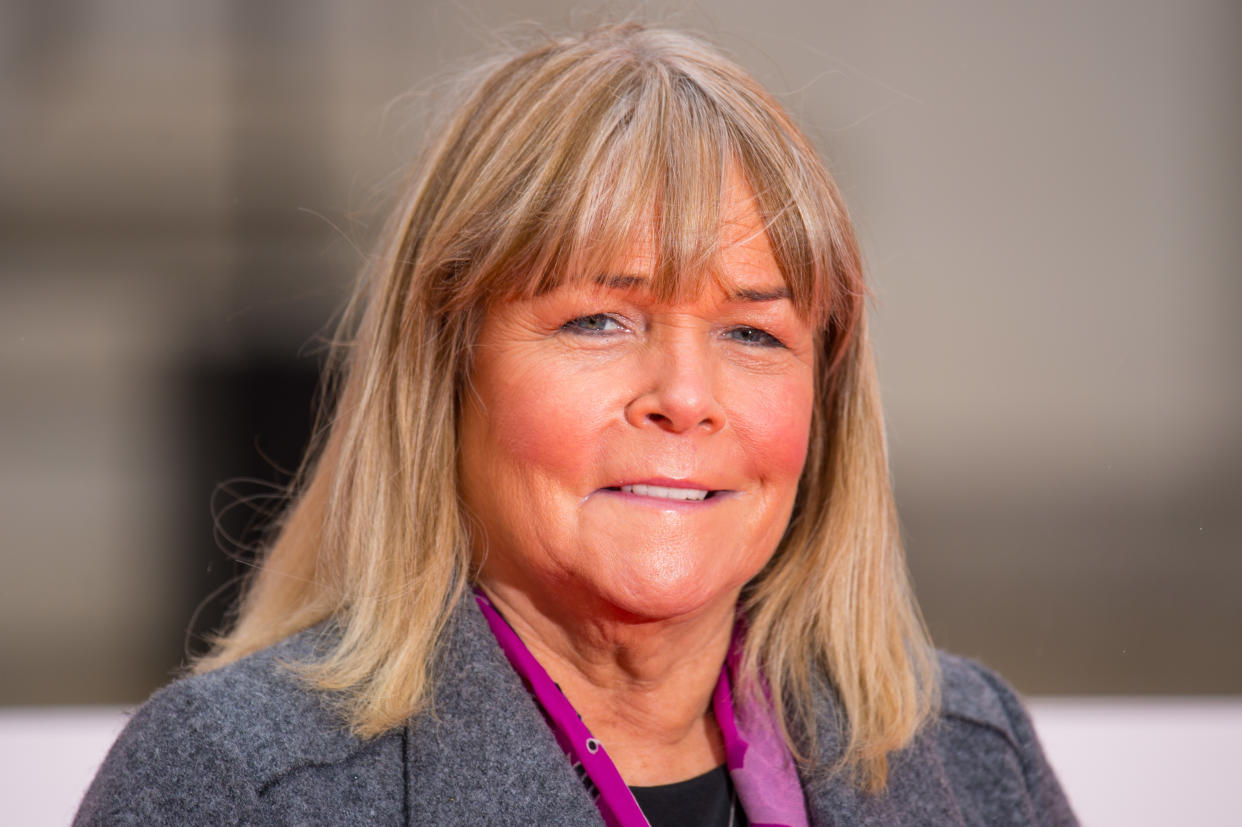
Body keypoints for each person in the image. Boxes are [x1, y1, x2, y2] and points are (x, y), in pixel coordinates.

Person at [76, 24, 1075, 826]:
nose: (685, 394)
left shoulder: (967, 760)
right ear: (445, 366)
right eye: (599, 320)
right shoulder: (239, 785)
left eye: (753, 331)